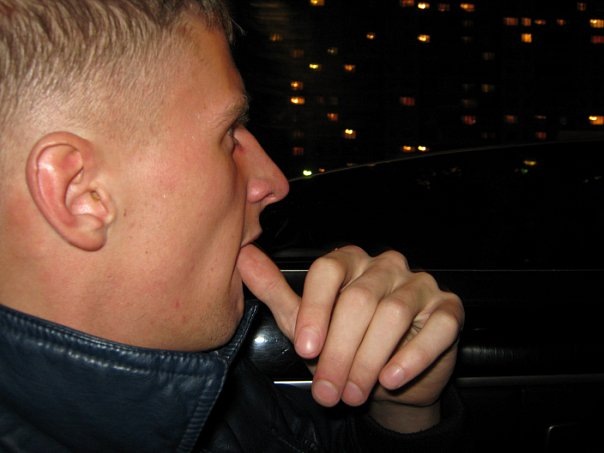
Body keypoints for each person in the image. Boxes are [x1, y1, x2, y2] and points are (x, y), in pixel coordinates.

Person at [0, 1, 465, 451]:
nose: (273, 183)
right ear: (82, 194)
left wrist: (400, 409)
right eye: (228, 135)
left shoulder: (199, 377)